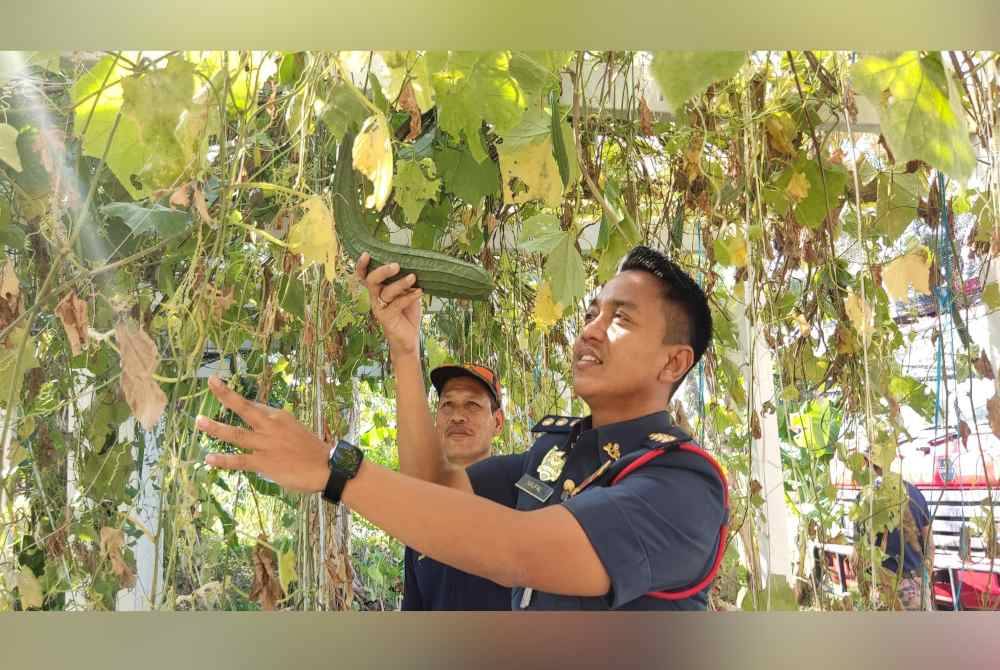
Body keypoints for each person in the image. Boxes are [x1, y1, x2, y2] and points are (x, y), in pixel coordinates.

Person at [195, 244, 728, 610]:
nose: (590, 330)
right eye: (593, 311)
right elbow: (432, 485)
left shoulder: (681, 486)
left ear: (673, 363)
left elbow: (517, 551)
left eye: (621, 318)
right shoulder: (557, 454)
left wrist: (333, 468)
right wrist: (407, 350)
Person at [401, 363, 511, 610]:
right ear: (437, 421)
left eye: (472, 405)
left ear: (498, 422)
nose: (457, 416)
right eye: (447, 405)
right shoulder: (423, 513)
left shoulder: (521, 497)